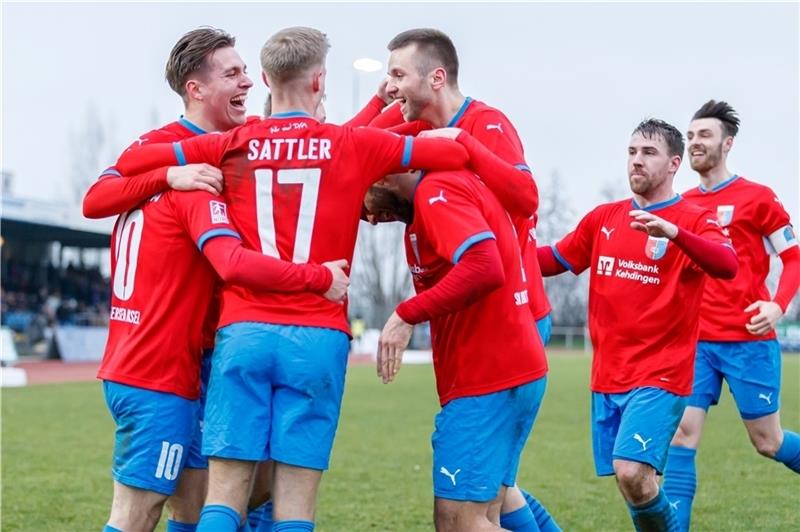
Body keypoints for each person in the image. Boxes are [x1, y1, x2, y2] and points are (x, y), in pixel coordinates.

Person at [113, 26, 473, 532]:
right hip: (317, 336)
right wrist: (432, 132)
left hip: (243, 333)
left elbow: (129, 164)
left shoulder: (231, 142)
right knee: (294, 508)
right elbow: (452, 153)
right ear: (320, 80)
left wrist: (170, 172)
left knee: (222, 501)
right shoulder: (352, 144)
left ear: (263, 78)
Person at [383, 27, 557, 530]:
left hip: (511, 317)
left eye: (397, 75)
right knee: (500, 492)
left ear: (436, 78)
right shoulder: (418, 135)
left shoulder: (484, 125)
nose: (390, 88)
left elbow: (525, 199)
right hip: (493, 326)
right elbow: (356, 150)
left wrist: (463, 145)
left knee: (471, 509)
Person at [82, 27, 251, 532]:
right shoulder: (167, 147)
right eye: (233, 73)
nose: (247, 80)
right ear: (195, 89)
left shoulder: (206, 149)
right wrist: (171, 173)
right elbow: (93, 200)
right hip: (157, 368)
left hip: (186, 362)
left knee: (196, 506)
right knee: (139, 511)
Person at [536, 119, 738, 531]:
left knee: (631, 471)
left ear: (673, 164)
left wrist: (675, 233)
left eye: (648, 153)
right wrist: (501, 244)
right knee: (639, 485)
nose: (636, 162)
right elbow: (552, 260)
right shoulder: (604, 218)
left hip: (661, 376)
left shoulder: (694, 219)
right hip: (608, 376)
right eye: (631, 153)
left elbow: (727, 264)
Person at [367, 166, 548, 532]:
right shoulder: (424, 208)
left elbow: (484, 266)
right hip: (501, 374)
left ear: (386, 175)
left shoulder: (438, 193)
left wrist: (406, 315)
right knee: (488, 513)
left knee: (459, 523)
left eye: (363, 204)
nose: (370, 220)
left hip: (488, 379)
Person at [662, 101, 800, 531]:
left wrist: (778, 304)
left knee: (768, 441)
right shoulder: (682, 203)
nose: (695, 143)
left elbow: (793, 258)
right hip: (696, 341)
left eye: (704, 135)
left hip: (748, 339)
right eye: (690, 136)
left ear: (728, 143)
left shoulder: (758, 198)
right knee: (683, 435)